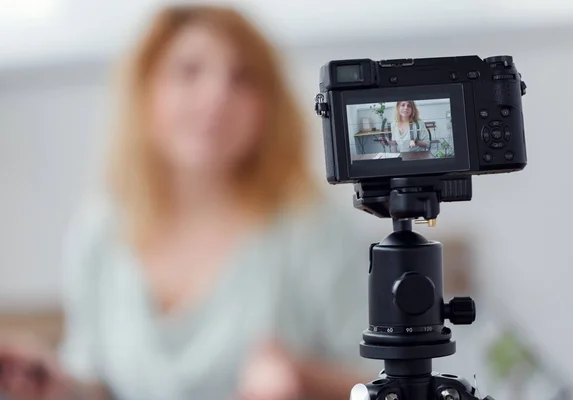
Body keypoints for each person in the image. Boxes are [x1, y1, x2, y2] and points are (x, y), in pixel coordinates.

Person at [0, 5, 377, 400]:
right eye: (189, 71)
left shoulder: (314, 227)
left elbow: (375, 383)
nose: (216, 96)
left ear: (269, 106)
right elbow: (96, 381)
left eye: (242, 77)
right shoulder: (101, 228)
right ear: (145, 92)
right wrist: (55, 385)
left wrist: (302, 380)